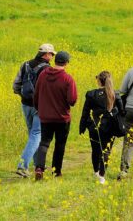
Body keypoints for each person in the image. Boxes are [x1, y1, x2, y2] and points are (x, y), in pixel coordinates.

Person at [11, 43, 55, 178]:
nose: (52, 56)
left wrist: (24, 97)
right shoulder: (47, 69)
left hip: (25, 105)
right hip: (39, 106)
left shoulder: (25, 64)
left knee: (33, 134)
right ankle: (22, 166)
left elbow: (16, 85)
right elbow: (48, 91)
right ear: (46, 54)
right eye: (52, 54)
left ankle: (38, 165)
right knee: (37, 134)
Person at [33, 51, 77, 180]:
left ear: (55, 61)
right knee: (60, 144)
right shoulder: (67, 79)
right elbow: (72, 100)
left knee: (44, 142)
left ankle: (39, 168)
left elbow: (36, 94)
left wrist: (39, 109)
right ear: (66, 63)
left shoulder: (43, 75)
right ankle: (56, 171)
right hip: (62, 118)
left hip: (45, 116)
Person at [80, 71, 123, 184]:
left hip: (94, 126)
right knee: (106, 151)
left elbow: (85, 112)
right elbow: (122, 111)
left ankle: (96, 172)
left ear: (99, 81)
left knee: (95, 150)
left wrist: (82, 126)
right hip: (110, 127)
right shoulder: (115, 94)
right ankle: (102, 175)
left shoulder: (91, 94)